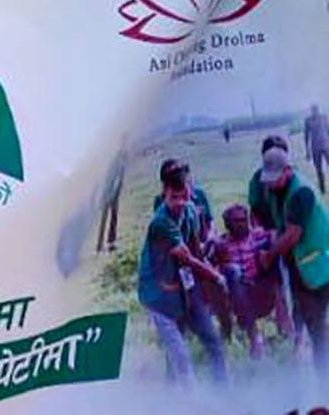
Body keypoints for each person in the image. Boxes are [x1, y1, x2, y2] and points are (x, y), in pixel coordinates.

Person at [140, 159, 228, 384]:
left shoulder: (191, 210)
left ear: (189, 188)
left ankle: (225, 396)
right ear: (164, 193)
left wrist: (207, 280)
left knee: (213, 340)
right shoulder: (161, 222)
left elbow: (196, 249)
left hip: (185, 289)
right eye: (173, 197)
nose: (179, 202)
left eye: (183, 195)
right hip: (160, 296)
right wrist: (216, 277)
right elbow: (186, 257)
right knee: (180, 358)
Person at [249, 143, 329, 377]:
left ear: (288, 170)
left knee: (318, 325)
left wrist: (269, 255)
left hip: (318, 267)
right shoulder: (276, 192)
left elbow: (293, 234)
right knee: (314, 325)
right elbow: (275, 224)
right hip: (301, 268)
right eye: (269, 178)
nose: (271, 183)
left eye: (276, 177)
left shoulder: (300, 192)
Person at [207, 201, 287, 359]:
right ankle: (253, 336)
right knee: (232, 271)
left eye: (243, 220)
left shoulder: (258, 236)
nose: (241, 224)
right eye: (236, 221)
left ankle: (286, 328)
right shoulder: (221, 243)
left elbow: (279, 236)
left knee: (276, 271)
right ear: (227, 224)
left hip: (260, 291)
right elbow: (208, 267)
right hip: (236, 294)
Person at [307, 105, 329, 195]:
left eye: (316, 110)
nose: (315, 112)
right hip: (315, 148)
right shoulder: (308, 121)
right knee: (318, 169)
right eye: (313, 110)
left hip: (326, 146)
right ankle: (322, 189)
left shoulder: (324, 118)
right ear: (311, 111)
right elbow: (306, 136)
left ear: (318, 110)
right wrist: (307, 151)